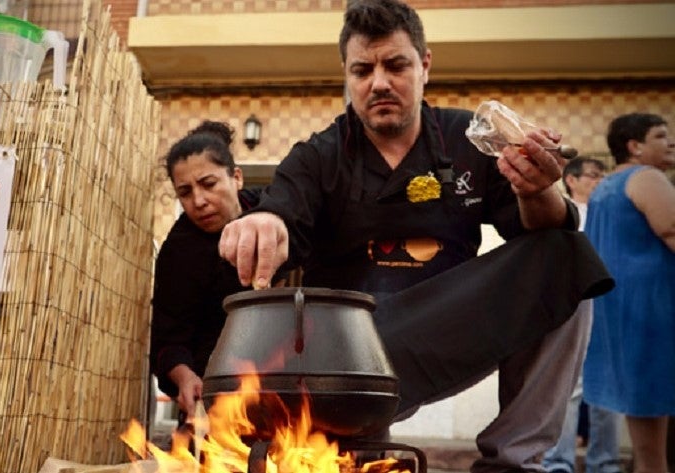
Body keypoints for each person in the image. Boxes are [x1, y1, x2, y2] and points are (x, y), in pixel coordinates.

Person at [217, 1, 614, 472]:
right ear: (347, 75)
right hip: (355, 352)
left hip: (450, 324)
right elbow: (284, 212)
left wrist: (537, 189)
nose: (379, 82)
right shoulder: (318, 156)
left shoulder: (469, 138)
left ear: (425, 65)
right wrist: (264, 224)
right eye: (362, 69)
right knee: (352, 462)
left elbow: (544, 227)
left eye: (396, 64)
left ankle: (514, 461)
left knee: (568, 260)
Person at [150, 120, 284, 421]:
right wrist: (184, 377)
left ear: (236, 177)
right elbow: (169, 339)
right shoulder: (179, 252)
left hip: (289, 387)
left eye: (208, 184)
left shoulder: (274, 210)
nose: (198, 201)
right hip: (214, 401)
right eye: (185, 192)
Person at [583, 113, 675, 473]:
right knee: (653, 439)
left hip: (618, 308)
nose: (669, 143)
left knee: (645, 433)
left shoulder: (605, 187)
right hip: (653, 309)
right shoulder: (647, 177)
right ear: (635, 146)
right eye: (660, 136)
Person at [542, 157, 624, 473]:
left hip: (611, 305)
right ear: (572, 180)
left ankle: (605, 463)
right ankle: (557, 462)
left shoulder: (615, 215)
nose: (599, 180)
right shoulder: (564, 215)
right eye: (593, 175)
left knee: (608, 384)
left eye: (603, 174)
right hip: (573, 304)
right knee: (569, 387)